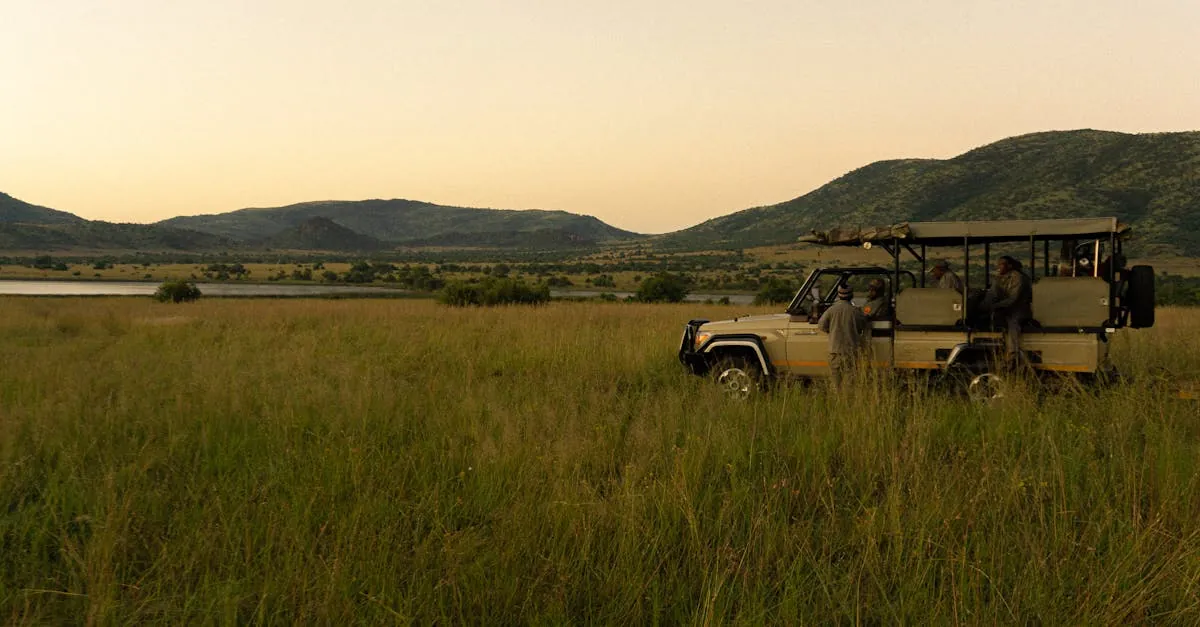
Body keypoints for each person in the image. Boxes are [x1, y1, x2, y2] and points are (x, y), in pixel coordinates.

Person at [982, 255, 1033, 365]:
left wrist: (996, 305)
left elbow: (1013, 299)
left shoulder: (1018, 278)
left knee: (1012, 322)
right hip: (1005, 308)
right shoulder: (1000, 277)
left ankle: (1012, 354)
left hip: (1019, 309)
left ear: (1009, 266)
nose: (999, 267)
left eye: (1001, 264)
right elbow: (992, 294)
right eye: (998, 264)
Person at [818, 284, 867, 388]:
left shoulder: (831, 310)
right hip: (850, 352)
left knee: (835, 384)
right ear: (851, 295)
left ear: (839, 295)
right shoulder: (856, 311)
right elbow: (862, 326)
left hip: (835, 351)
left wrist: (831, 331)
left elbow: (821, 325)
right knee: (850, 383)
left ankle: (836, 402)